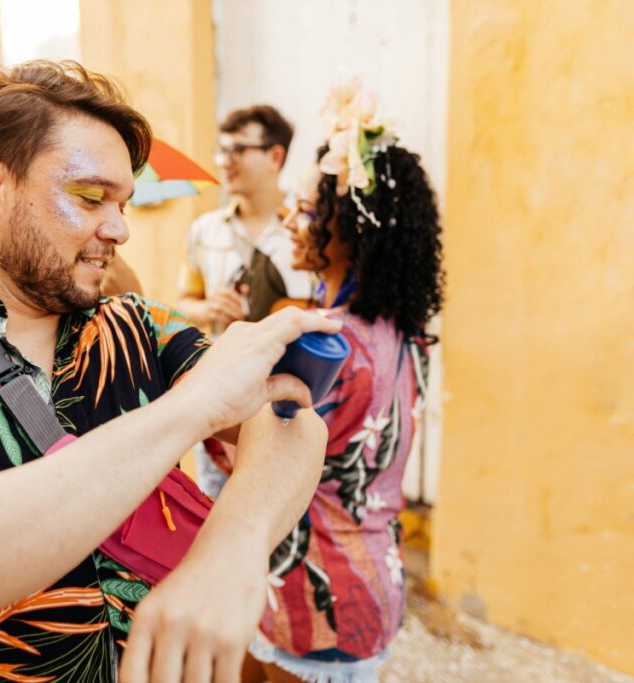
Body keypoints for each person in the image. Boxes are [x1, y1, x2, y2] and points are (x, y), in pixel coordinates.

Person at [0, 60, 340, 683]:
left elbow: (290, 417)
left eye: (123, 202)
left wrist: (232, 549)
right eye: (90, 196)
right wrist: (188, 410)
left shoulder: (138, 324)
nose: (119, 228)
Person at [245, 81, 445, 683]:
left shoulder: (323, 344)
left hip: (314, 593)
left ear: (352, 229)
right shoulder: (404, 330)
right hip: (374, 580)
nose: (289, 216)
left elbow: (251, 459)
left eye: (307, 210)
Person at [175, 105, 314, 499]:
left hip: (293, 403)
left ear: (275, 156)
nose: (225, 161)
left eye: (238, 150)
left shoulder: (307, 228)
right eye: (222, 150)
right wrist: (206, 310)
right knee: (218, 513)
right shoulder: (204, 231)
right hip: (224, 406)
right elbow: (183, 301)